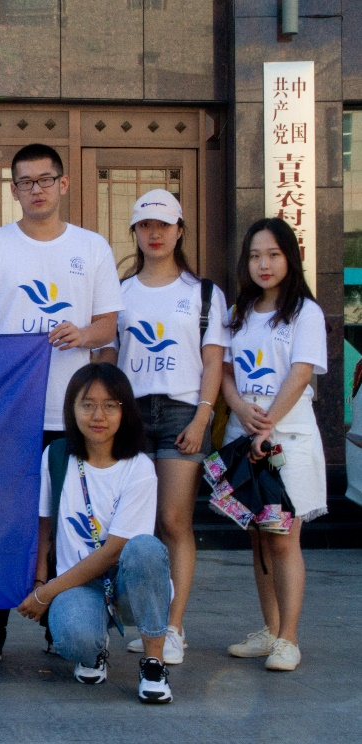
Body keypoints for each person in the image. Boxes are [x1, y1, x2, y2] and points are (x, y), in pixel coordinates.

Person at [0, 143, 123, 664]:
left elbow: (108, 326)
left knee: (68, 521)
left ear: (63, 184)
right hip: (9, 413)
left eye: (45, 179)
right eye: (26, 182)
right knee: (2, 521)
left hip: (72, 414)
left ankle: (61, 625)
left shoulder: (92, 248)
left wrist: (82, 334)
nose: (37, 189)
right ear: (14, 190)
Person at [97, 190, 227, 664]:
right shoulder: (120, 292)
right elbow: (108, 355)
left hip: (181, 413)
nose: (154, 234)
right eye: (145, 225)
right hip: (129, 414)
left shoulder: (203, 293)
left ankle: (173, 627)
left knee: (173, 520)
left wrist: (203, 416)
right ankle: (147, 622)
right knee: (137, 523)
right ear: (134, 231)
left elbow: (213, 361)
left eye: (163, 225)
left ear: (179, 231)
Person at [17, 363, 173, 704]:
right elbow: (44, 527)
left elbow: (116, 549)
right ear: (71, 409)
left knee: (145, 549)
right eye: (87, 405)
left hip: (127, 583)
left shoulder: (139, 467)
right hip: (79, 584)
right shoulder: (57, 455)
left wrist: (45, 595)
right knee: (74, 640)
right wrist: (41, 582)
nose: (98, 415)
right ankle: (94, 650)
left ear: (124, 411)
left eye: (109, 405)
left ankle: (154, 662)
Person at [220, 218, 327, 672]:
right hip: (245, 435)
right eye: (254, 256)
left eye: (273, 255)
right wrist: (239, 409)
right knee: (259, 540)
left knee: (283, 538)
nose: (263, 264)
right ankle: (270, 628)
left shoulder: (306, 312)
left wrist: (266, 425)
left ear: (290, 258)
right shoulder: (238, 311)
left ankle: (289, 638)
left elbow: (301, 373)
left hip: (286, 437)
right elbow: (224, 370)